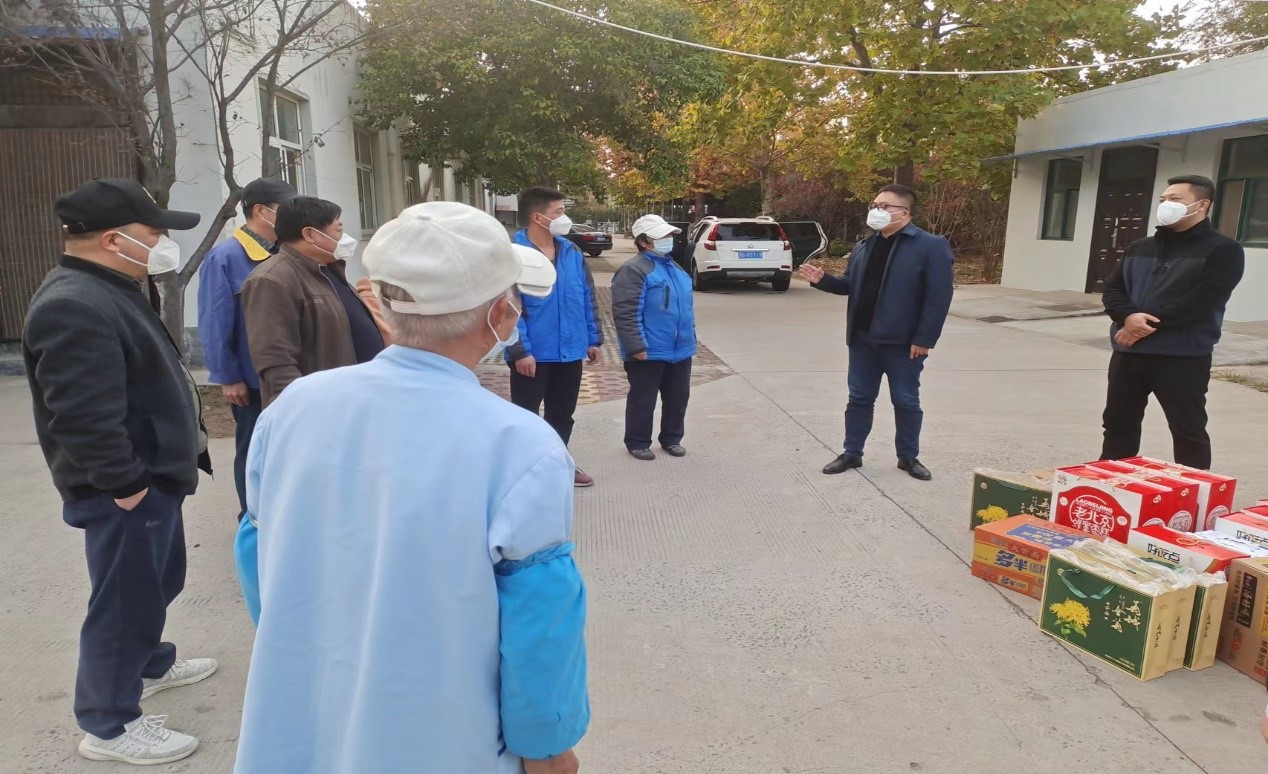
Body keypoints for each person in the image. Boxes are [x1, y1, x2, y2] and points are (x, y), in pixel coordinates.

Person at [233, 202, 588, 773]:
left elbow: (258, 554)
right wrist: (547, 746)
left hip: (307, 706)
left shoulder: (295, 407)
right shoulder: (519, 443)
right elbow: (540, 619)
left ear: (383, 302)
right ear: (501, 314)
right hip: (444, 730)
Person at [22, 178, 218, 765]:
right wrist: (126, 484)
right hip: (127, 487)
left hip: (151, 477)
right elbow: (81, 415)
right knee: (124, 603)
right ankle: (108, 724)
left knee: (156, 582)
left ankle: (147, 664)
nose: (162, 244)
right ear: (113, 238)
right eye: (153, 234)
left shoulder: (114, 285)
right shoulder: (74, 305)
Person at [798, 184, 954, 481]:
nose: (876, 211)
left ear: (905, 213)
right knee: (858, 398)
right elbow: (850, 285)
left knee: (906, 401)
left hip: (903, 344)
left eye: (884, 206)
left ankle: (908, 457)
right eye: (874, 205)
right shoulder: (864, 245)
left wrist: (924, 338)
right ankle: (851, 453)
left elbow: (938, 297)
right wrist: (823, 280)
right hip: (862, 341)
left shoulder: (930, 246)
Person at [1100, 175, 1244, 470]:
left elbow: (1202, 301)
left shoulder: (1223, 250)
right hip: (1129, 355)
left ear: (1202, 205)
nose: (1166, 205)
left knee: (1188, 431)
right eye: (1163, 200)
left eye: (1175, 200)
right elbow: (1113, 288)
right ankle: (1111, 486)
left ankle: (1195, 493)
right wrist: (1127, 317)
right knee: (1117, 426)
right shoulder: (1139, 247)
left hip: (1182, 356)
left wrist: (1142, 327)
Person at [196, 177, 296, 521]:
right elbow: (214, 321)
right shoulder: (226, 257)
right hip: (250, 380)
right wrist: (228, 376)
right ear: (261, 212)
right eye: (285, 208)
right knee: (254, 450)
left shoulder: (284, 252)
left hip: (286, 374)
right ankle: (251, 519)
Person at [240, 196, 387, 406]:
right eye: (338, 230)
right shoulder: (271, 280)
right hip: (321, 406)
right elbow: (275, 359)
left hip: (355, 399)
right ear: (310, 234)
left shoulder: (329, 269)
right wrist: (300, 408)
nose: (344, 237)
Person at [507, 187, 604, 488]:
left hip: (570, 350)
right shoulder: (512, 254)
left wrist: (593, 339)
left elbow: (586, 295)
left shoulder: (571, 251)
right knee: (526, 417)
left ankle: (558, 464)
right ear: (538, 217)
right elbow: (507, 307)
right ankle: (523, 474)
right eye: (559, 212)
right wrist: (520, 350)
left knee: (562, 414)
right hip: (533, 354)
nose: (565, 217)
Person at [611, 214, 697, 461]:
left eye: (669, 235)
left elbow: (686, 308)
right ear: (643, 242)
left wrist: (690, 337)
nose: (668, 239)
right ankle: (637, 442)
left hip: (680, 349)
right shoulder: (633, 270)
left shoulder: (674, 267)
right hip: (648, 350)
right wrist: (635, 346)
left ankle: (672, 438)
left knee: (678, 398)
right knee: (643, 399)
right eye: (661, 236)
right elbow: (625, 312)